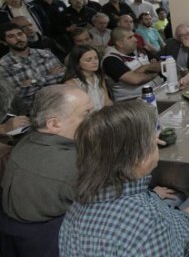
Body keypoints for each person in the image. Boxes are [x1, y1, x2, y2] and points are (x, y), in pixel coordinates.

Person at [59, 101, 189, 257]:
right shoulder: (147, 223)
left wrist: (178, 217)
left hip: (173, 231)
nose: (157, 141)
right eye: (153, 139)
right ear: (137, 158)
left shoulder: (80, 205)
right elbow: (144, 227)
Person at [2, 85, 93, 222]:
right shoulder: (73, 166)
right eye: (86, 113)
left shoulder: (27, 140)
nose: (95, 118)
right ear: (54, 124)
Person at [0, 22, 65, 108]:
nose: (18, 38)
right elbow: (16, 94)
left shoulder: (45, 54)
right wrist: (49, 76)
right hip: (34, 109)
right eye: (11, 36)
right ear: (4, 42)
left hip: (61, 99)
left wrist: (33, 81)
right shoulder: (4, 65)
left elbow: (63, 76)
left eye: (20, 34)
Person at [102, 27, 163, 101]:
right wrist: (155, 72)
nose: (135, 39)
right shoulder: (110, 60)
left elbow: (162, 65)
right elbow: (136, 80)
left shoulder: (140, 50)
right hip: (133, 101)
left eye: (134, 36)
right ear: (120, 43)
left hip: (158, 91)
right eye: (130, 37)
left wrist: (145, 67)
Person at [63, 45, 113, 111]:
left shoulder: (99, 77)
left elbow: (106, 100)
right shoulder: (71, 83)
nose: (95, 62)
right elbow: (77, 110)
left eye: (96, 58)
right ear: (78, 63)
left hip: (102, 115)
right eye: (88, 60)